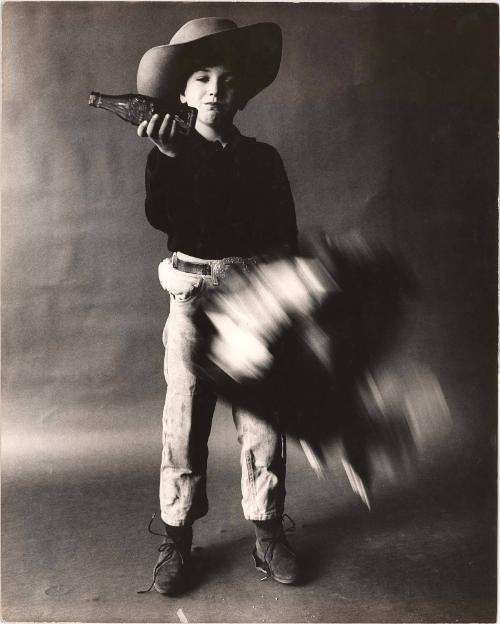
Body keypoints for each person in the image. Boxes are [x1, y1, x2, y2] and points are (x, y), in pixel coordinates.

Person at [135, 17, 299, 595]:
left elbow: (282, 235)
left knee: (262, 423)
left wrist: (286, 303)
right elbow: (167, 219)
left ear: (243, 91)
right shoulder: (169, 153)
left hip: (253, 304)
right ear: (181, 92)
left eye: (226, 79)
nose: (213, 90)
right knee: (183, 420)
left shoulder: (263, 159)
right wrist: (171, 157)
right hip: (191, 302)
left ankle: (268, 531)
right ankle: (176, 537)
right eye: (200, 78)